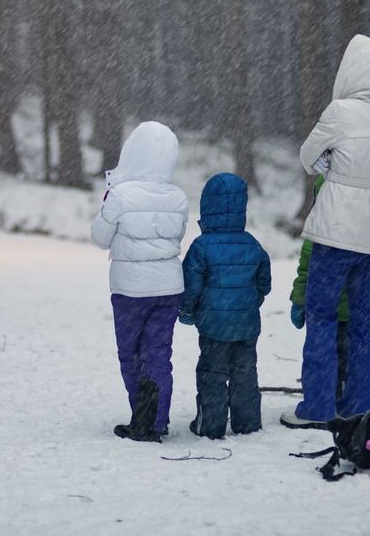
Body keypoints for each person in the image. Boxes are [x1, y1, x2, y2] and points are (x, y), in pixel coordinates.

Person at [281, 34, 370, 428]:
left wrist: (329, 167)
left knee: (321, 315)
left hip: (336, 231)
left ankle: (318, 407)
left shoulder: (340, 112)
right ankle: (357, 407)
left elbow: (307, 156)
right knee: (364, 319)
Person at [91, 122, 189, 443]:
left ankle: (142, 419)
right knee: (158, 354)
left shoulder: (121, 195)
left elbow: (100, 237)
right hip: (169, 288)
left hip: (130, 291)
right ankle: (156, 421)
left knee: (131, 354)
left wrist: (109, 199)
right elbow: (176, 236)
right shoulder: (178, 197)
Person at [178, 173, 271, 439]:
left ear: (207, 208)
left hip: (214, 326)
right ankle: (247, 422)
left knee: (212, 372)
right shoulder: (251, 243)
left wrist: (187, 310)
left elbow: (191, 285)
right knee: (245, 372)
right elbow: (264, 283)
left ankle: (210, 425)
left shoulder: (201, 246)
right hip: (246, 324)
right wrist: (251, 301)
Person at [289, 174, 350, 402]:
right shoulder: (357, 236)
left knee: (322, 355)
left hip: (322, 309)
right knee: (345, 357)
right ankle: (343, 398)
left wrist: (299, 301)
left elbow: (305, 271)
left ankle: (322, 398)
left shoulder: (315, 236)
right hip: (349, 313)